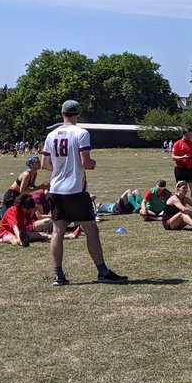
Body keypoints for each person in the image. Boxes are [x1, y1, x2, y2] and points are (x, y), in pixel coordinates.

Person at [40, 100, 126, 286]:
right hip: (75, 190)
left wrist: (60, 169)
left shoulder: (51, 135)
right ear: (78, 113)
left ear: (62, 113)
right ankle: (103, 271)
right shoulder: (82, 133)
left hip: (55, 189)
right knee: (91, 230)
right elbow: (86, 162)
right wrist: (93, 164)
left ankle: (58, 275)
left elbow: (44, 164)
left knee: (57, 231)